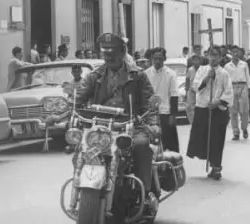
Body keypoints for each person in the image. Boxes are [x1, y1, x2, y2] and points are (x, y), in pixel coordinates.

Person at [71, 33, 158, 211]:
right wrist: (68, 114)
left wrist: (153, 123)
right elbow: (78, 99)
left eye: (113, 54)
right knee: (79, 149)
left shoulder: (137, 76)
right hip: (100, 126)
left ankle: (146, 193)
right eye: (106, 55)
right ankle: (83, 192)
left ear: (122, 53)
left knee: (141, 145)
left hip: (130, 125)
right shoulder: (94, 76)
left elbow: (149, 102)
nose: (109, 59)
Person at [187, 45, 234, 180]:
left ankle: (216, 167)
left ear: (220, 57)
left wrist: (218, 102)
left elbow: (228, 92)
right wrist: (207, 78)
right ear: (207, 56)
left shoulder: (224, 73)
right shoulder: (202, 70)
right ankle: (209, 160)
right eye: (211, 55)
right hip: (203, 107)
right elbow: (195, 87)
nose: (213, 58)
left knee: (217, 138)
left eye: (216, 55)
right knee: (203, 137)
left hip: (217, 110)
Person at [144, 47, 181, 153]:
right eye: (155, 58)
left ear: (164, 58)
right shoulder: (146, 74)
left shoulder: (171, 74)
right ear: (151, 59)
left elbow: (174, 95)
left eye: (160, 58)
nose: (157, 61)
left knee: (169, 144)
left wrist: (173, 115)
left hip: (166, 112)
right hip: (149, 113)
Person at [224, 46, 250, 140]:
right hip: (232, 87)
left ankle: (244, 128)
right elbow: (226, 80)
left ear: (239, 53)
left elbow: (248, 76)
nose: (235, 54)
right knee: (233, 112)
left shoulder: (244, 64)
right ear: (231, 53)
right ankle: (235, 132)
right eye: (233, 52)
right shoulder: (227, 66)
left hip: (243, 87)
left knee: (244, 110)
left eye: (237, 52)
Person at [185, 53, 202, 126]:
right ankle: (193, 122)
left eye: (197, 60)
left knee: (199, 107)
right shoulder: (190, 69)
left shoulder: (202, 69)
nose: (196, 62)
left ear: (200, 61)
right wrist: (187, 90)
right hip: (191, 91)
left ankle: (200, 122)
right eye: (194, 60)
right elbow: (187, 80)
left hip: (200, 91)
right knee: (189, 107)